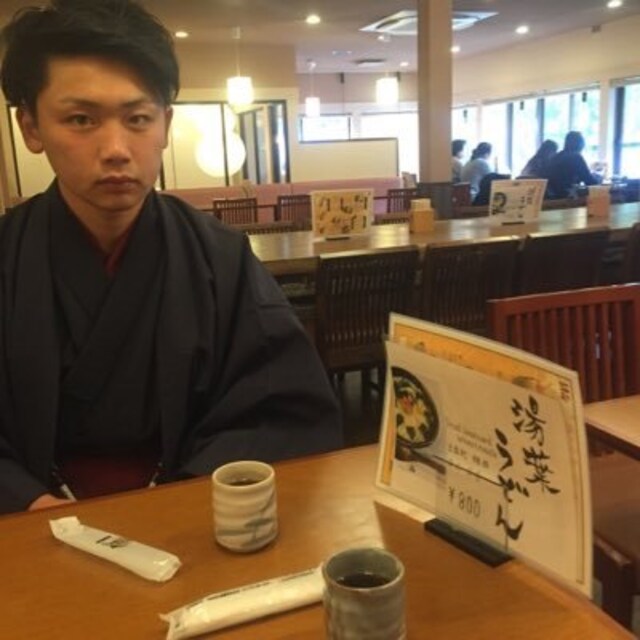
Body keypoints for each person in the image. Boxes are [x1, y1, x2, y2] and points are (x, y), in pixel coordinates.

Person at [0, 0, 342, 514]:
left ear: (165, 123)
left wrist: (185, 497)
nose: (116, 148)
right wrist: (26, 501)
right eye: (81, 119)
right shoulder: (7, 257)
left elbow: (284, 409)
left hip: (193, 511)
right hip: (34, 521)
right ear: (31, 127)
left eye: (137, 118)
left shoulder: (221, 257)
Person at [543, 131, 598, 199]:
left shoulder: (557, 156)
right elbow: (589, 181)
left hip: (551, 196)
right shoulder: (576, 157)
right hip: (564, 197)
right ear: (580, 145)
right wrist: (600, 182)